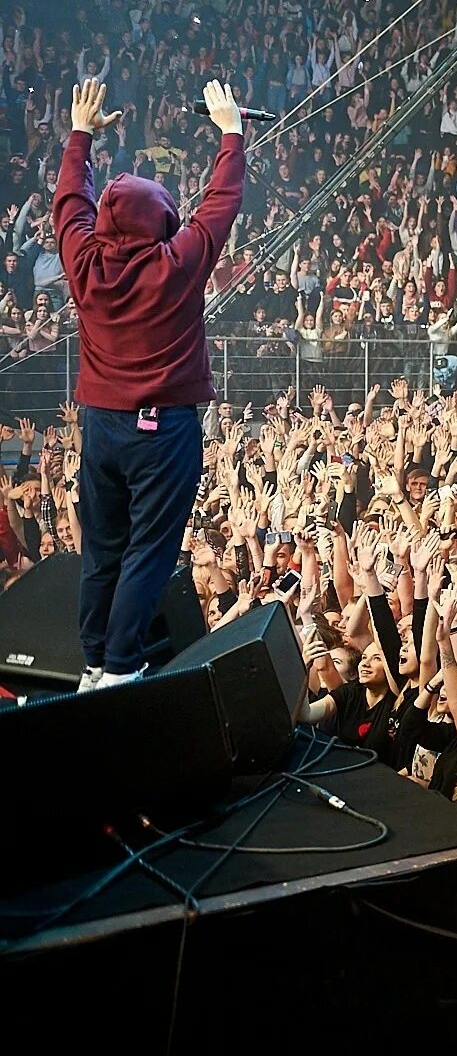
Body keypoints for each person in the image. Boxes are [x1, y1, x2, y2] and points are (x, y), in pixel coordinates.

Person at [54, 77, 245, 687]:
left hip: (103, 426)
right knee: (148, 551)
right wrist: (230, 132)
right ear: (162, 221)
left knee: (103, 548)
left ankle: (92, 661)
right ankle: (119, 668)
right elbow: (219, 206)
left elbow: (68, 205)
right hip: (163, 429)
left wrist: (80, 136)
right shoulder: (174, 264)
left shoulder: (84, 262)